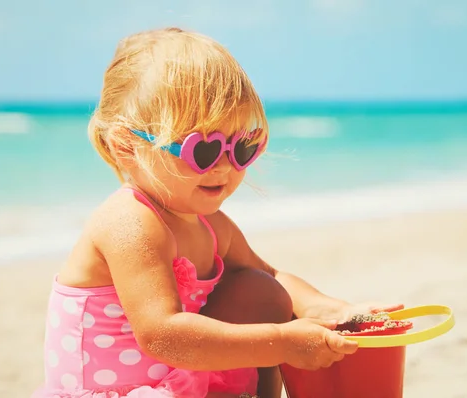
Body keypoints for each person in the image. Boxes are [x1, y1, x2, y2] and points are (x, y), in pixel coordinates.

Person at [32, 27, 403, 398]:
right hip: (126, 389)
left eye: (241, 147)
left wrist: (334, 310)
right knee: (272, 320)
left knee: (263, 290)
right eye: (204, 150)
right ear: (127, 146)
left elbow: (270, 275)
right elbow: (162, 336)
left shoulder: (212, 226)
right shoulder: (129, 222)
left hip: (180, 380)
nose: (225, 167)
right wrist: (281, 341)